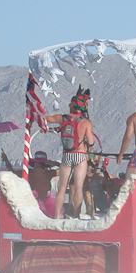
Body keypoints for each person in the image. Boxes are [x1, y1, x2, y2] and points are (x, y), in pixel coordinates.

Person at [44, 90, 94, 218]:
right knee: (78, 187)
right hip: (80, 156)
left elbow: (46, 118)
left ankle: (56, 215)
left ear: (73, 105)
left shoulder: (62, 118)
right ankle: (76, 215)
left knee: (61, 187)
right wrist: (91, 154)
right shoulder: (86, 122)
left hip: (67, 156)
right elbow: (91, 142)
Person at [1, 149, 59, 217]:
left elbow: (12, 172)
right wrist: (56, 163)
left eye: (39, 164)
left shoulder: (30, 172)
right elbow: (65, 169)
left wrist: (7, 162)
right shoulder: (49, 173)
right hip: (42, 204)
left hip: (35, 203)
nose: (38, 167)